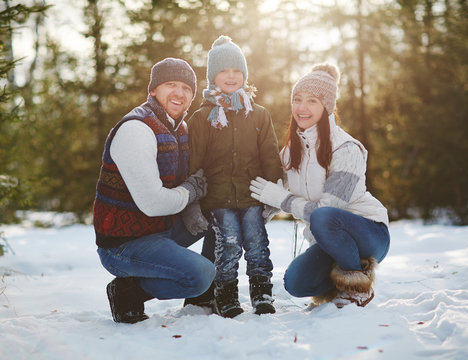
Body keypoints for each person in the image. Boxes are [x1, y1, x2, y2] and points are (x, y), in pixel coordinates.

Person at [250, 63, 390, 308]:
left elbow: (325, 210)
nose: (302, 108)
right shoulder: (289, 152)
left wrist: (282, 200)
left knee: (324, 216)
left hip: (370, 233)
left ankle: (357, 289)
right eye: (297, 99)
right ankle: (338, 289)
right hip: (328, 242)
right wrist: (247, 219)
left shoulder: (346, 149)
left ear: (327, 107)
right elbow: (273, 196)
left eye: (312, 101)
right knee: (295, 283)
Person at [93, 57, 216, 323]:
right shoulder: (136, 129)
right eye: (171, 84)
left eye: (186, 88)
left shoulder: (180, 128)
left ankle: (203, 299)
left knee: (222, 213)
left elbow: (191, 180)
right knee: (201, 274)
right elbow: (152, 203)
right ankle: (129, 290)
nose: (179, 93)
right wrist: (190, 193)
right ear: (153, 90)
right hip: (123, 244)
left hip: (160, 230)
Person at [185, 36, 283, 318]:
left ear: (244, 76)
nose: (231, 76)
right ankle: (226, 294)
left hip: (252, 196)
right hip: (218, 199)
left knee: (256, 244)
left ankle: (261, 292)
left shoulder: (259, 115)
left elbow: (270, 156)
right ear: (213, 76)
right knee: (227, 245)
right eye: (224, 71)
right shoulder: (202, 118)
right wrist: (193, 204)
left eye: (236, 71)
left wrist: (274, 194)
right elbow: (193, 164)